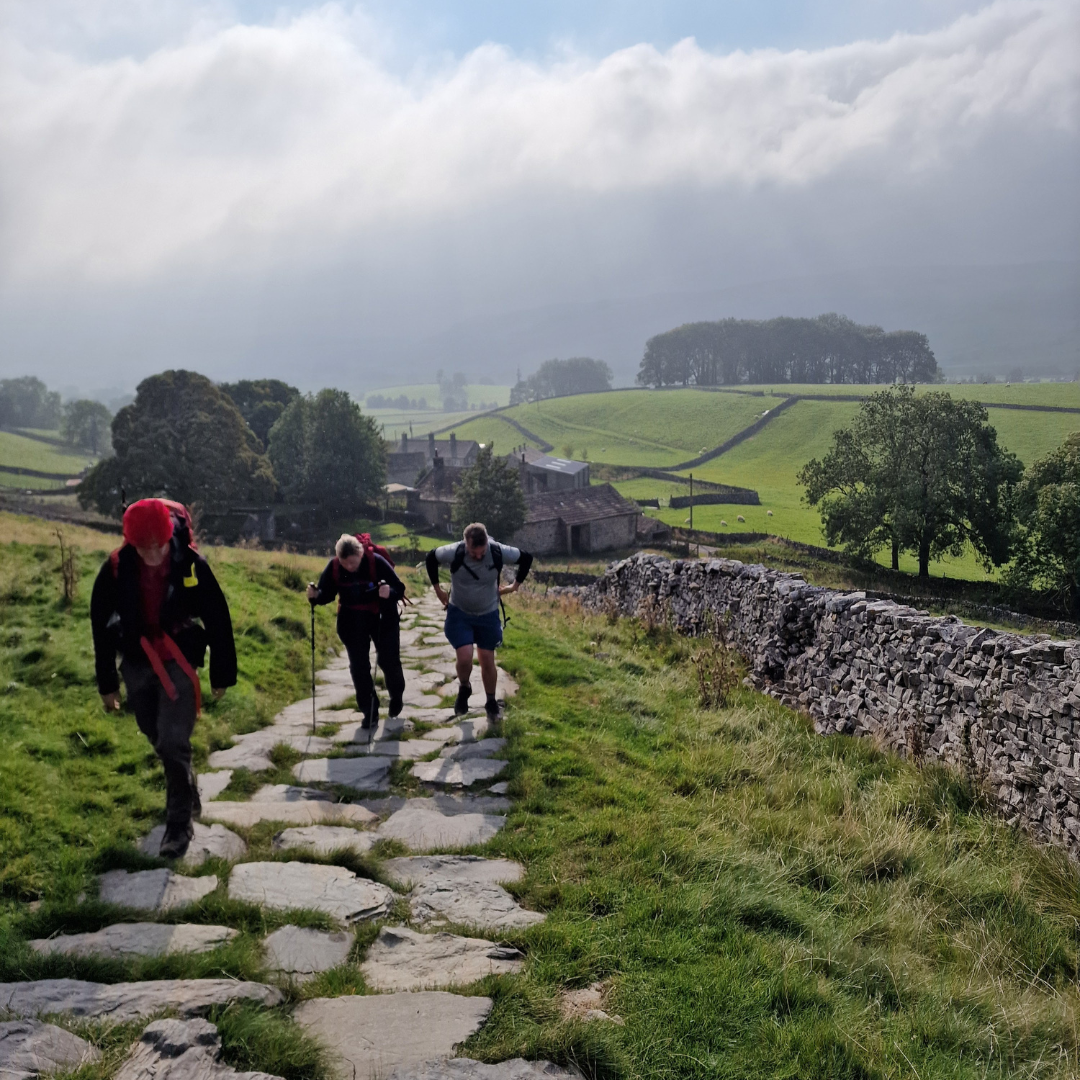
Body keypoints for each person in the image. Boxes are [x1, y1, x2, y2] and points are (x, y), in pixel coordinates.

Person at [90, 498, 236, 860]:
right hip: (138, 661)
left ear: (170, 536)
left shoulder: (190, 563)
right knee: (154, 733)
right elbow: (100, 626)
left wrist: (221, 674)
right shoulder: (115, 569)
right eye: (144, 548)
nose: (153, 555)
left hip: (179, 659)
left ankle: (177, 825)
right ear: (130, 543)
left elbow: (218, 618)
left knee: (173, 740)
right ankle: (186, 784)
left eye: (159, 546)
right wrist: (107, 683)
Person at [426, 522, 532, 718]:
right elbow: (431, 557)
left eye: (481, 553)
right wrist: (438, 589)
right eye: (473, 553)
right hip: (460, 613)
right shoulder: (454, 551)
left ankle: (491, 701)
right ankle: (464, 687)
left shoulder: (498, 550)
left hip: (488, 614)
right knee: (464, 657)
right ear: (465, 543)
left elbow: (526, 558)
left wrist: (514, 586)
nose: (478, 556)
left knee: (487, 659)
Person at [307, 534, 406, 729]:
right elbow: (326, 594)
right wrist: (315, 596)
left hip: (382, 617)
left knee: (388, 661)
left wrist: (389, 593)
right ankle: (369, 711)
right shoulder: (334, 567)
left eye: (353, 563)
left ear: (360, 554)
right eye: (345, 564)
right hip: (351, 620)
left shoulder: (376, 562)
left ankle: (396, 696)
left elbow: (399, 588)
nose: (349, 567)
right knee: (358, 666)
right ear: (338, 559)